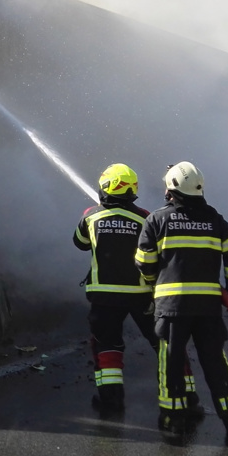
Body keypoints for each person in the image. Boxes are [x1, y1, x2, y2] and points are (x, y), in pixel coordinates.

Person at [135, 161, 228, 445]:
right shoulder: (214, 219)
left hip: (171, 307)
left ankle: (173, 421)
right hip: (208, 306)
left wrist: (152, 280)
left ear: (172, 189)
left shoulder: (157, 220)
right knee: (215, 362)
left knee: (170, 363)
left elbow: (144, 261)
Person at [72, 164, 161, 416]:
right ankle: (182, 395)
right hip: (141, 295)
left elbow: (79, 243)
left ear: (105, 188)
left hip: (104, 297)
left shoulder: (91, 215)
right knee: (163, 343)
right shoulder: (146, 217)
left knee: (106, 345)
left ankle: (111, 400)